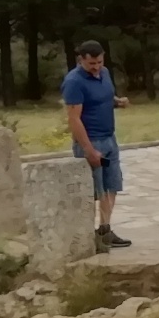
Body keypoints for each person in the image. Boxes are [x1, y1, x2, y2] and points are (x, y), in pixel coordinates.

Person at [62, 41, 131, 249]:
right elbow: (74, 119)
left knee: (111, 185)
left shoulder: (105, 73)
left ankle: (105, 229)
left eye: (99, 62)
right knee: (93, 190)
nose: (96, 67)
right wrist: (88, 150)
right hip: (91, 141)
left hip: (110, 139)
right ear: (80, 59)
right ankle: (84, 236)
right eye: (91, 63)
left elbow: (103, 98)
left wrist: (118, 102)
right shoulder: (74, 82)